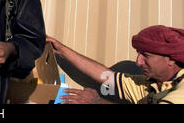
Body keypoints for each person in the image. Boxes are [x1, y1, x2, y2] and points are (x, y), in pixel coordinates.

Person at [47, 25, 184, 104]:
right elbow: (108, 78)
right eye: (138, 54)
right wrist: (62, 50)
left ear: (171, 59)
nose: (138, 62)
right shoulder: (154, 84)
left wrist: (96, 101)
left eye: (146, 56)